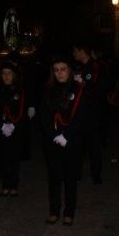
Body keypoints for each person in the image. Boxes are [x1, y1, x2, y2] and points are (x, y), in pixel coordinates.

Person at [40, 56, 90, 226]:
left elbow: (81, 116)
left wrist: (66, 135)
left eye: (63, 69)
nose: (59, 73)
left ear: (69, 70)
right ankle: (54, 211)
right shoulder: (48, 90)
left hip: (71, 140)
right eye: (56, 70)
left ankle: (69, 212)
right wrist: (53, 134)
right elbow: (44, 116)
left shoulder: (78, 89)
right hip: (53, 140)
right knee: (53, 178)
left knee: (70, 178)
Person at [73, 41, 104, 184]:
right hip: (79, 112)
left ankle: (96, 174)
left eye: (75, 51)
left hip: (92, 112)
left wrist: (83, 85)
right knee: (78, 143)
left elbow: (95, 88)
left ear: (81, 51)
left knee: (94, 144)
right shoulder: (78, 67)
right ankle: (76, 172)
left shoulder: (94, 66)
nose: (74, 54)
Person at [0, 62, 26, 196]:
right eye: (4, 74)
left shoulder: (19, 90)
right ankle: (5, 183)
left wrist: (13, 124)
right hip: (1, 127)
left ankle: (13, 183)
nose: (6, 76)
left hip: (15, 127)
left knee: (14, 156)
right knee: (2, 156)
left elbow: (21, 109)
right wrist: (1, 124)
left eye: (9, 74)